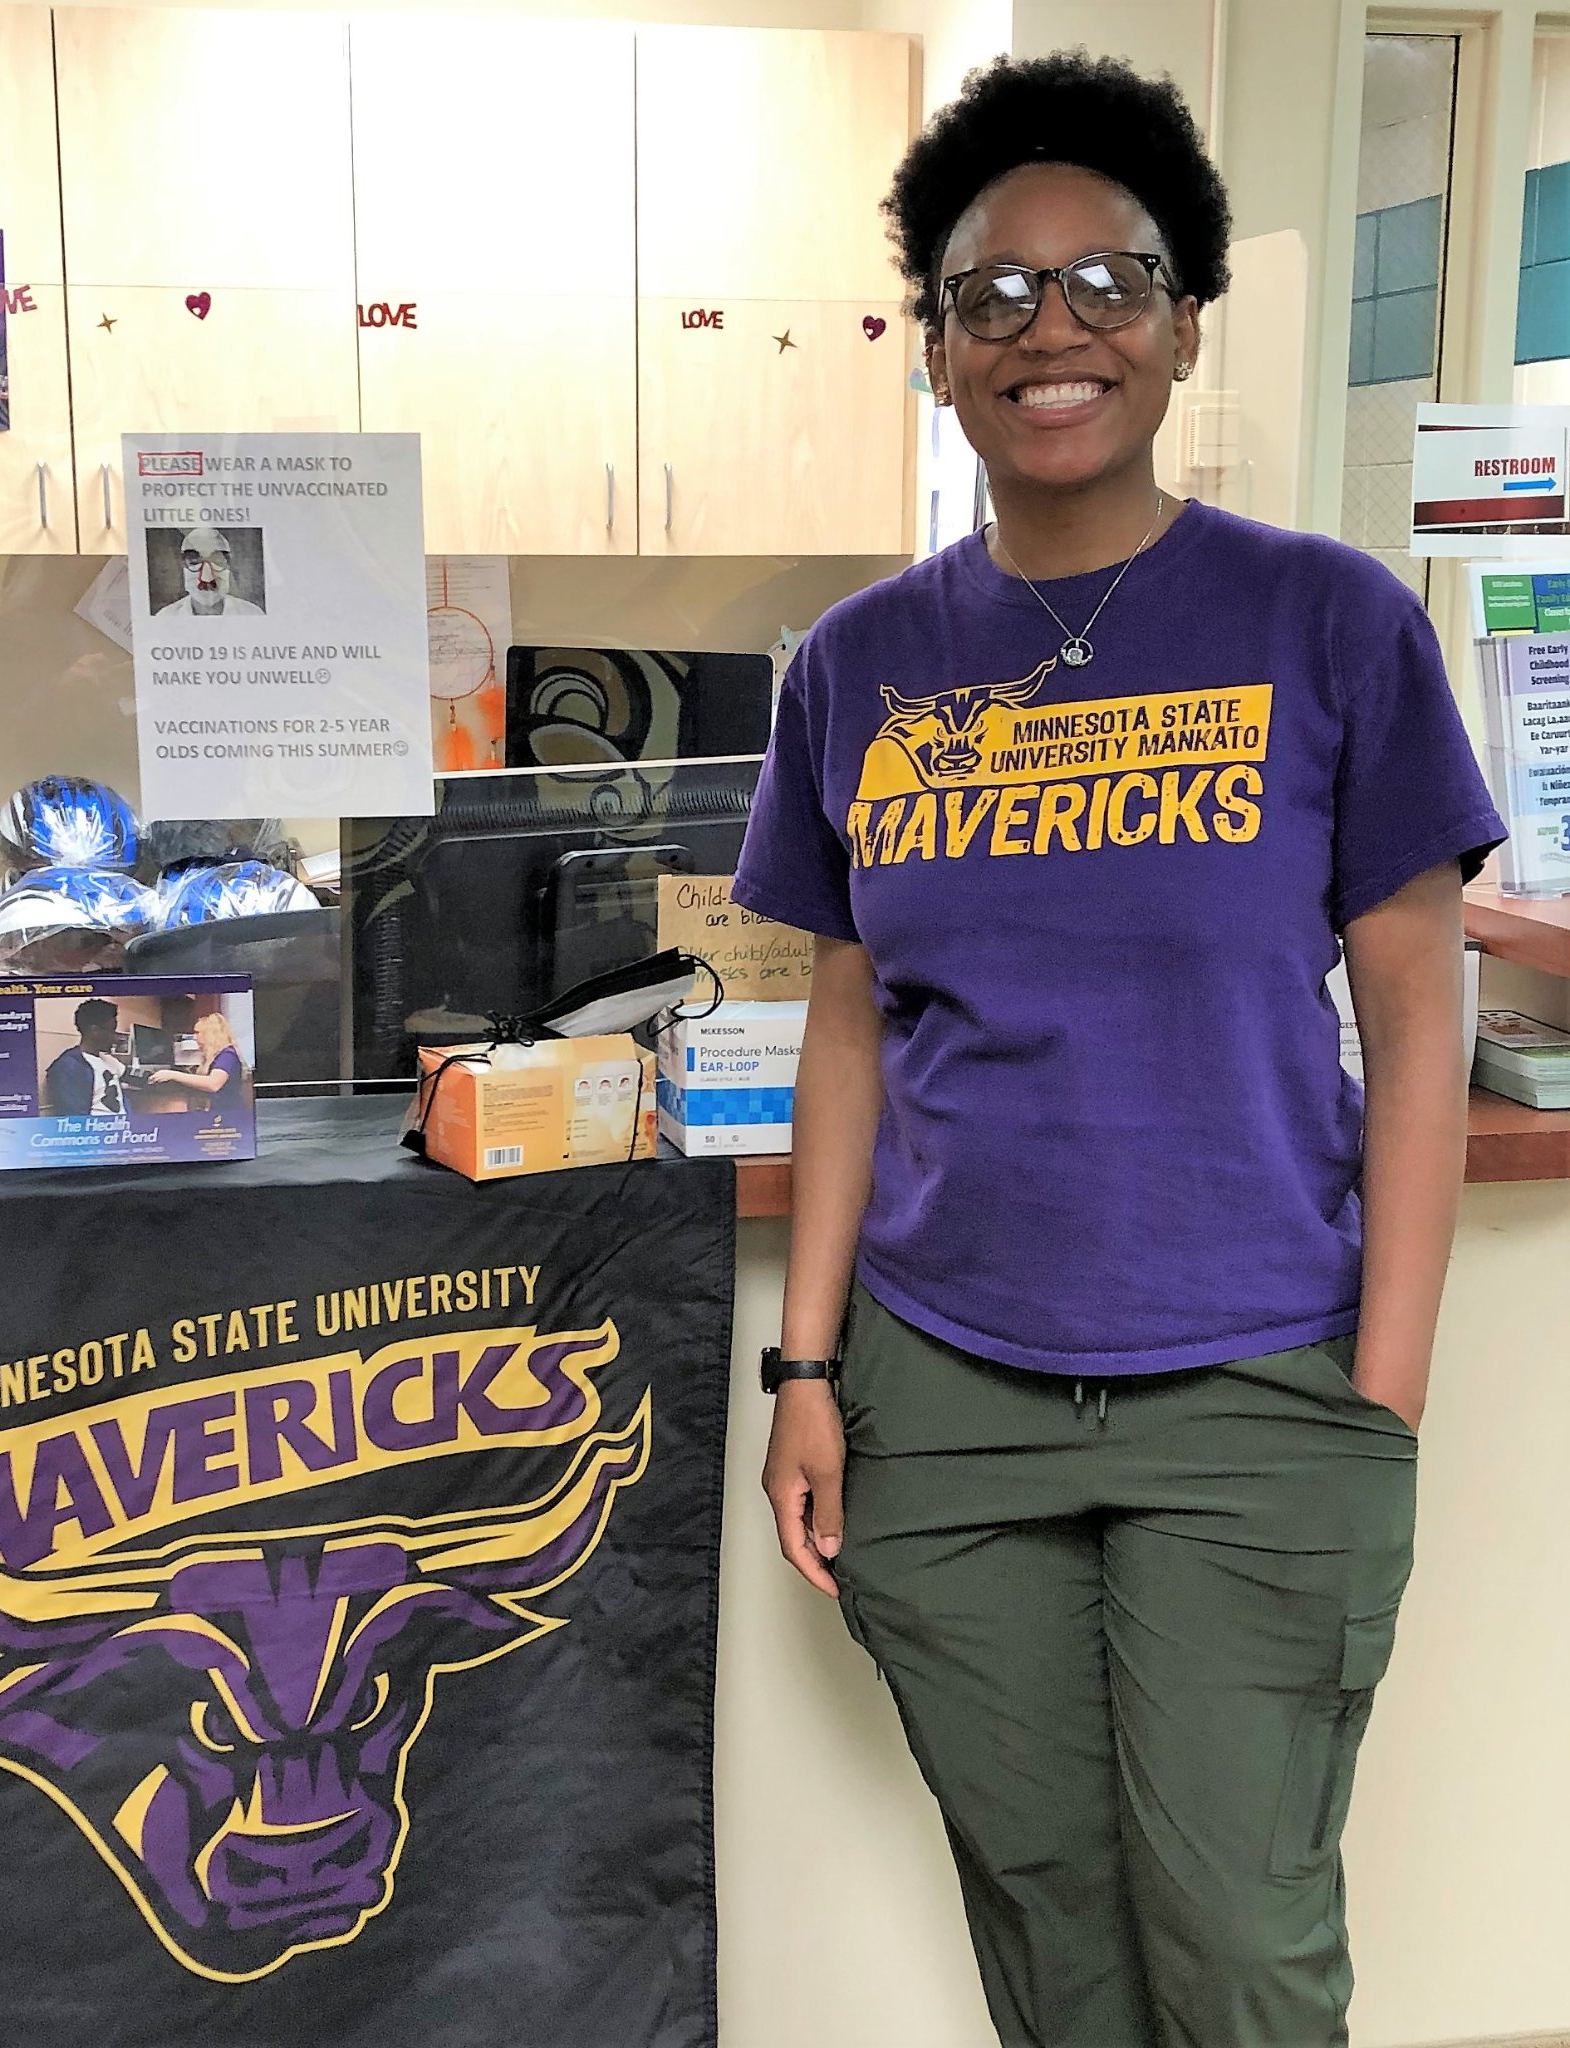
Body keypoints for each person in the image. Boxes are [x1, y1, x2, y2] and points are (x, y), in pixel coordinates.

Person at [732, 52, 1505, 2048]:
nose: (1046, 328)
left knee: (1239, 1947)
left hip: (1253, 1378)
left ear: (1178, 325)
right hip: (940, 1387)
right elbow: (845, 1024)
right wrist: (804, 1367)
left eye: (1105, 282)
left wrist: (1376, 1399)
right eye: (990, 292)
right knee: (1051, 1934)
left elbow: (1419, 1024)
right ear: (933, 351)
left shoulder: (1323, 623)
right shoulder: (855, 666)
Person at [153, 526, 263, 617]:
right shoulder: (165, 618)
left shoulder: (253, 615)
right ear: (183, 565)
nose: (207, 578)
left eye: (217, 561)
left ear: (229, 565)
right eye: (194, 561)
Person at [43, 998, 125, 1118]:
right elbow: (75, 1118)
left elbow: (134, 1076)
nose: (115, 1038)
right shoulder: (67, 1067)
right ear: (94, 1031)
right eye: (111, 1031)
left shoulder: (108, 1059)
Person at [147, 1008, 244, 1105]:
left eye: (197, 1032)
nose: (194, 1037)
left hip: (228, 1112)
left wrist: (172, 1075)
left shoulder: (227, 1055)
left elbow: (213, 1084)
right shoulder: (216, 1056)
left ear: (210, 1034)